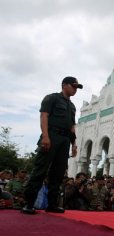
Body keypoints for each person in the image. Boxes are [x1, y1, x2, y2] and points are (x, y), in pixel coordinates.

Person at [21, 76, 83, 214]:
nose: (75, 89)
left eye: (77, 87)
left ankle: (52, 204)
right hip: (51, 135)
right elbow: (44, 116)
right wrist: (45, 136)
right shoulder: (51, 98)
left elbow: (72, 127)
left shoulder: (72, 106)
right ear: (64, 85)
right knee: (40, 170)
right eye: (73, 86)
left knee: (58, 173)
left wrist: (74, 144)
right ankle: (29, 203)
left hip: (65, 139)